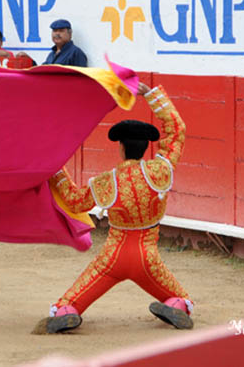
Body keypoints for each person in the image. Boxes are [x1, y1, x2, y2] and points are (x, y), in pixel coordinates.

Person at [33, 82, 194, 334]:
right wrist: (151, 95)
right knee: (181, 298)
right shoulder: (160, 170)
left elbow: (74, 201)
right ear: (146, 147)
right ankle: (176, 306)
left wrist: (56, 169)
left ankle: (67, 311)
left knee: (70, 302)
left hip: (112, 258)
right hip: (147, 258)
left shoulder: (107, 182)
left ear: (121, 148)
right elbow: (177, 130)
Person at [18, 19, 87, 67]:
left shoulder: (76, 53)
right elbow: (43, 73)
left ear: (70, 34)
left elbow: (82, 79)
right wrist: (29, 60)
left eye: (61, 31)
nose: (57, 34)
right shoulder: (52, 54)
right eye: (55, 31)